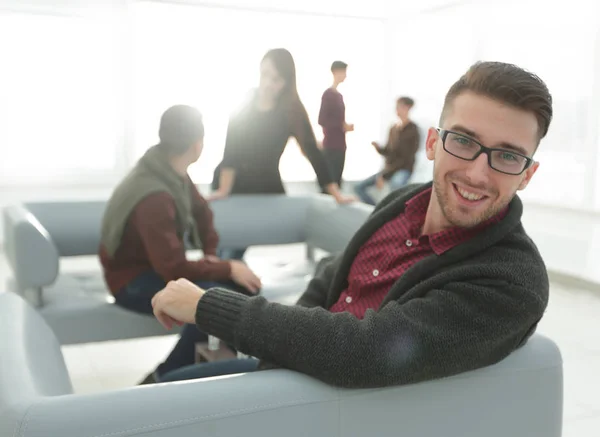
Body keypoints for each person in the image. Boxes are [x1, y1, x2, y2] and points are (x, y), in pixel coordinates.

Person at [150, 61, 553, 389]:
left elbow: (366, 351)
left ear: (527, 175)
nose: (478, 174)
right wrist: (277, 361)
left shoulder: (512, 280)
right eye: (463, 141)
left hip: (327, 412)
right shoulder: (406, 201)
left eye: (506, 156)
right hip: (286, 378)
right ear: (433, 143)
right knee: (157, 394)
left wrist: (211, 306)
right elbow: (330, 278)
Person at [98, 105, 262, 384]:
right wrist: (226, 267)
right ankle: (161, 379)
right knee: (212, 301)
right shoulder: (155, 196)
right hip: (130, 281)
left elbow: (202, 213)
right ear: (197, 145)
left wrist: (211, 257)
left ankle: (229, 378)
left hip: (152, 268)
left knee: (229, 294)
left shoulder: (168, 169)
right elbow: (171, 268)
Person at [210, 49, 354, 260]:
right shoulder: (247, 99)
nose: (268, 83)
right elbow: (231, 149)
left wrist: (336, 193)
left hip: (264, 187)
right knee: (223, 245)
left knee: (234, 249)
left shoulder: (291, 109)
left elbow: (312, 152)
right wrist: (224, 190)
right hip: (231, 181)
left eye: (276, 79)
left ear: (287, 81)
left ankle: (226, 274)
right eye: (265, 75)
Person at [354, 97, 420, 205]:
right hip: (389, 169)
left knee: (396, 185)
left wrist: (384, 175)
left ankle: (392, 213)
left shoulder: (413, 130)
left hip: (403, 169)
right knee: (359, 187)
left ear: (408, 108)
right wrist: (379, 148)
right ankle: (377, 210)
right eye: (397, 106)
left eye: (400, 106)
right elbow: (389, 152)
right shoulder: (393, 128)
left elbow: (406, 158)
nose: (397, 109)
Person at [318, 60, 354, 189]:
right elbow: (322, 120)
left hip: (340, 145)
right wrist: (341, 126)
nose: (345, 75)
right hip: (331, 146)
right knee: (330, 184)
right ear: (336, 72)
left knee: (337, 182)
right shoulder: (328, 94)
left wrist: (344, 126)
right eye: (344, 72)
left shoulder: (339, 96)